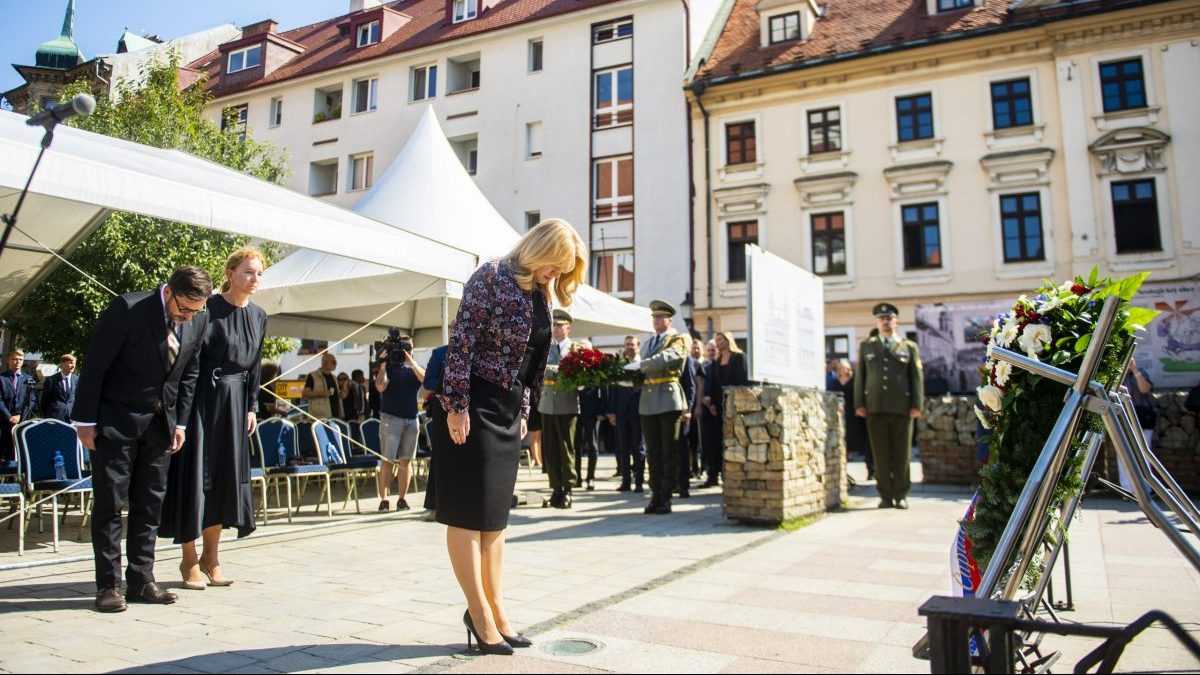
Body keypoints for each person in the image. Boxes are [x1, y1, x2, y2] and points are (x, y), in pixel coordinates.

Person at [430, 218, 585, 655]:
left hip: (505, 407)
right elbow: (461, 342)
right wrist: (456, 405)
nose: (555, 276)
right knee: (467, 517)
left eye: (560, 271)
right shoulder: (491, 276)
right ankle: (478, 615)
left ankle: (497, 612)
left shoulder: (540, 292)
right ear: (539, 250)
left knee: (495, 522)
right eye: (554, 266)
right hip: (474, 402)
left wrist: (523, 409)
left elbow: (533, 360)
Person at [73, 266, 211, 613]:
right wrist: (85, 420)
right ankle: (108, 586)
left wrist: (180, 422)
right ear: (169, 292)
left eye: (196, 311)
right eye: (185, 309)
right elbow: (96, 366)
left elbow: (189, 374)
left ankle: (142, 580)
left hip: (161, 426)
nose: (189, 317)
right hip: (116, 421)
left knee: (149, 505)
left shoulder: (198, 319)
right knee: (110, 505)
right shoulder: (128, 308)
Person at [162, 248, 268, 590]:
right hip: (202, 402)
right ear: (231, 272)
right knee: (195, 479)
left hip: (236, 405)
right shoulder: (208, 310)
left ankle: (212, 557)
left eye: (259, 273)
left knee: (224, 481)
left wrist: (252, 405)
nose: (255, 279)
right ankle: (189, 558)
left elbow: (254, 367)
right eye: (249, 272)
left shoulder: (259, 315)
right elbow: (189, 361)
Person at [854, 303, 923, 510]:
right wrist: (859, 403)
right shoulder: (867, 345)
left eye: (889, 318)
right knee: (880, 455)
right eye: (882, 318)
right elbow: (860, 377)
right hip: (875, 408)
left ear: (896, 321)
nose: (886, 321)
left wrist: (917, 404)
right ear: (877, 322)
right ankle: (885, 495)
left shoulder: (908, 346)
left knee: (902, 454)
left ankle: (901, 495)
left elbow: (916, 377)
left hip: (902, 408)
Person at [628, 301, 689, 515]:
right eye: (654, 318)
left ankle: (666, 496)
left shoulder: (678, 339)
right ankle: (655, 495)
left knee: (668, 450)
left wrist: (641, 365)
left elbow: (668, 358)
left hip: (668, 397)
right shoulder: (647, 343)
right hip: (648, 400)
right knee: (653, 452)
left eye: (661, 317)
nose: (657, 321)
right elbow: (641, 367)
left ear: (669, 320)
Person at [374, 334, 425, 512]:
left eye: (409, 347)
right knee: (387, 460)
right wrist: (382, 364)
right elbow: (380, 386)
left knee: (406, 461)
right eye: (403, 347)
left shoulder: (414, 367)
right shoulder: (388, 366)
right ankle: (384, 500)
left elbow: (425, 380)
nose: (406, 350)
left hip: (411, 419)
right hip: (391, 419)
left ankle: (402, 499)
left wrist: (411, 362)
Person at [539, 309, 580, 508]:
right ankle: (556, 488)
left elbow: (576, 373)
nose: (555, 328)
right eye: (553, 325)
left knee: (566, 448)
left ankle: (568, 489)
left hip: (567, 403)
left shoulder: (576, 348)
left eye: (559, 325)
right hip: (547, 403)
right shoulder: (546, 347)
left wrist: (552, 370)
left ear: (568, 328)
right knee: (551, 449)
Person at [703, 333, 748, 488]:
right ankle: (713, 475)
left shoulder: (739, 357)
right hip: (718, 408)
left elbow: (743, 381)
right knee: (714, 442)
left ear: (728, 340)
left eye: (720, 340)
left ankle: (732, 476)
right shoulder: (715, 362)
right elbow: (714, 385)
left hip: (735, 406)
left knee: (734, 441)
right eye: (716, 340)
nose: (718, 343)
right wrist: (712, 404)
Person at [607, 336, 645, 492]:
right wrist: (611, 411)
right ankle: (626, 481)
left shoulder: (643, 364)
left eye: (632, 344)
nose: (629, 347)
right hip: (621, 411)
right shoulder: (619, 364)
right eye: (627, 344)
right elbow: (612, 389)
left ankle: (639, 482)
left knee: (638, 447)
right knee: (623, 447)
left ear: (638, 346)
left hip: (638, 411)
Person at [419, 342, 449, 518]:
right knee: (440, 457)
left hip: (471, 411)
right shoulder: (439, 353)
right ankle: (435, 505)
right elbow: (428, 382)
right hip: (442, 410)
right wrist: (452, 383)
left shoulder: (477, 350)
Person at [830, 359, 872, 480]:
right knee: (844, 445)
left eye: (846, 367)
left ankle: (871, 470)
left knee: (864, 444)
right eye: (841, 367)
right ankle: (844, 475)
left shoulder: (855, 382)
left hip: (856, 416)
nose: (844, 370)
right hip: (842, 416)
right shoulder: (834, 382)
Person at [1120, 357, 1156, 494]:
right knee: (1123, 453)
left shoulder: (1141, 372)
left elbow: (1144, 389)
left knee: (1144, 453)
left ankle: (1144, 488)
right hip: (1124, 418)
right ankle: (1127, 489)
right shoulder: (1119, 376)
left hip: (1142, 419)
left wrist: (1134, 370)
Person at [0, 350, 35, 461]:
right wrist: (9, 416)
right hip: (4, 423)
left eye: (20, 359)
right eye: (14, 359)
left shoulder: (28, 379)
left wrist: (20, 416)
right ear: (8, 361)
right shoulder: (1, 378)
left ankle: (21, 477)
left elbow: (32, 400)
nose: (17, 362)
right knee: (5, 455)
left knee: (22, 454)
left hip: (22, 423)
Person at [675, 345, 699, 498]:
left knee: (682, 449)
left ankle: (683, 486)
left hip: (682, 411)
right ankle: (673, 484)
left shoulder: (687, 359)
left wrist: (688, 409)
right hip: (668, 410)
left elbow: (691, 386)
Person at [699, 340, 723, 487]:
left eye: (713, 350)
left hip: (719, 410)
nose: (711, 352)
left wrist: (713, 402)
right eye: (709, 350)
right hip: (706, 412)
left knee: (720, 444)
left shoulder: (721, 366)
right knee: (708, 445)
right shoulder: (705, 366)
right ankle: (711, 476)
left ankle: (723, 475)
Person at [40, 353, 78, 423]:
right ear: (62, 364)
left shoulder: (77, 380)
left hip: (72, 419)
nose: (73, 366)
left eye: (74, 364)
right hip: (55, 418)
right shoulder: (51, 380)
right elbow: (44, 401)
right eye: (71, 363)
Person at [303, 353, 342, 420]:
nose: (336, 364)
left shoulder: (334, 377)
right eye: (333, 362)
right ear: (325, 362)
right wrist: (322, 393)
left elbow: (337, 395)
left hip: (335, 415)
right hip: (320, 416)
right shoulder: (312, 376)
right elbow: (305, 394)